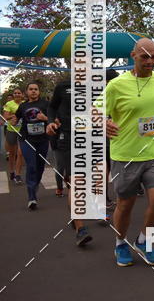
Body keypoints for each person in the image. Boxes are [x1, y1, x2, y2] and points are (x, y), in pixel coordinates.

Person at [102, 38, 154, 267]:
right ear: (133, 56)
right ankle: (120, 243)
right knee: (126, 204)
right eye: (144, 57)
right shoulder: (116, 85)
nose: (150, 61)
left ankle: (143, 241)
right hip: (126, 155)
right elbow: (96, 110)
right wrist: (103, 122)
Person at [46, 78, 93, 245]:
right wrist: (51, 121)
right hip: (67, 137)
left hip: (90, 138)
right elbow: (52, 107)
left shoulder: (96, 86)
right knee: (76, 181)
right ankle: (81, 229)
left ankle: (75, 213)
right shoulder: (63, 86)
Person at [15, 82, 50, 210]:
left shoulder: (46, 104)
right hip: (26, 139)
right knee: (31, 165)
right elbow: (15, 119)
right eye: (31, 89)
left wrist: (45, 118)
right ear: (27, 92)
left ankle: (34, 186)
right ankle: (31, 197)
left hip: (43, 140)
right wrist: (12, 120)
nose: (33, 91)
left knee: (40, 167)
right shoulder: (23, 106)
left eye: (36, 89)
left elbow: (54, 120)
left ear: (39, 91)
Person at [3, 88, 25, 184]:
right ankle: (12, 171)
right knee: (12, 154)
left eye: (19, 93)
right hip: (12, 130)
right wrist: (14, 116)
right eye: (15, 93)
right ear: (13, 95)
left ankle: (18, 175)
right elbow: (5, 117)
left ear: (22, 94)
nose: (17, 94)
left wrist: (14, 114)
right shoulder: (9, 104)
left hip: (23, 131)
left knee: (20, 153)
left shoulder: (25, 103)